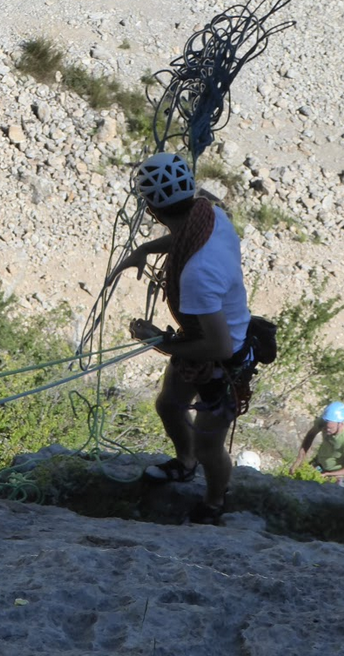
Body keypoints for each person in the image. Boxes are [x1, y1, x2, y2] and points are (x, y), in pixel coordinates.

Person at [107, 152, 252, 524]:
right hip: (205, 337)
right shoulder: (211, 215)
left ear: (153, 211)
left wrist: (158, 340)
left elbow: (219, 347)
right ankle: (185, 464)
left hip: (225, 356)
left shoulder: (197, 275)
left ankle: (215, 502)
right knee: (169, 405)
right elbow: (183, 236)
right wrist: (144, 249)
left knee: (209, 444)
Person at [290, 401, 344, 487]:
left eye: (330, 428)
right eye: (325, 426)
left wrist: (329, 474)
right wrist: (298, 461)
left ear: (340, 423)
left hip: (338, 475)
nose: (326, 430)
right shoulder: (324, 422)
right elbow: (310, 435)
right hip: (320, 465)